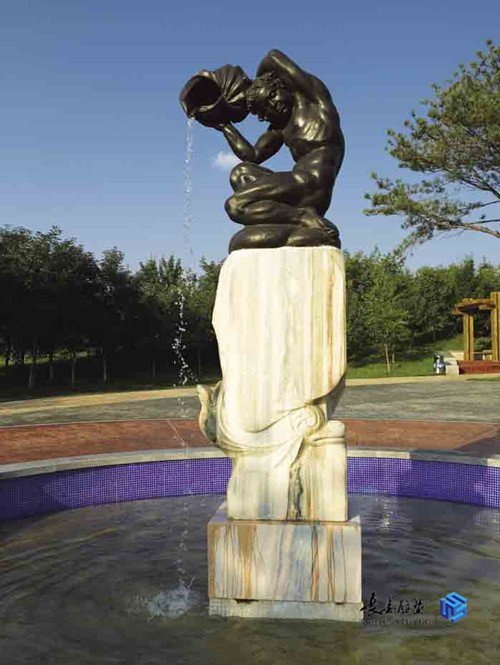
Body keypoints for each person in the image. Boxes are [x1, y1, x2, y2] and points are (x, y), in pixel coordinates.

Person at [214, 49, 345, 251]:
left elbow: (273, 57)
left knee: (235, 205)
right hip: (297, 184)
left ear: (280, 86)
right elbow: (252, 155)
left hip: (313, 185)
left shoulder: (314, 100)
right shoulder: (280, 126)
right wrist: (224, 125)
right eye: (265, 109)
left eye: (272, 96)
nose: (273, 106)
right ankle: (294, 225)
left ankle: (303, 218)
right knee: (241, 173)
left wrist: (250, 85)